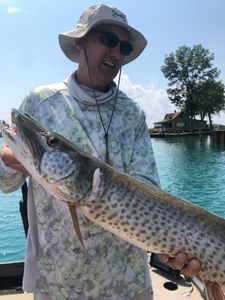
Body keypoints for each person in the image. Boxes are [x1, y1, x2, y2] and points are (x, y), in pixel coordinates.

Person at [0, 4, 202, 300]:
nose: (116, 52)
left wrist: (172, 244)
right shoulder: (40, 103)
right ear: (80, 42)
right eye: (107, 39)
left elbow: (147, 188)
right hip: (59, 282)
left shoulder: (132, 113)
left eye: (124, 46)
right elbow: (6, 185)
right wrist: (7, 164)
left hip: (127, 283)